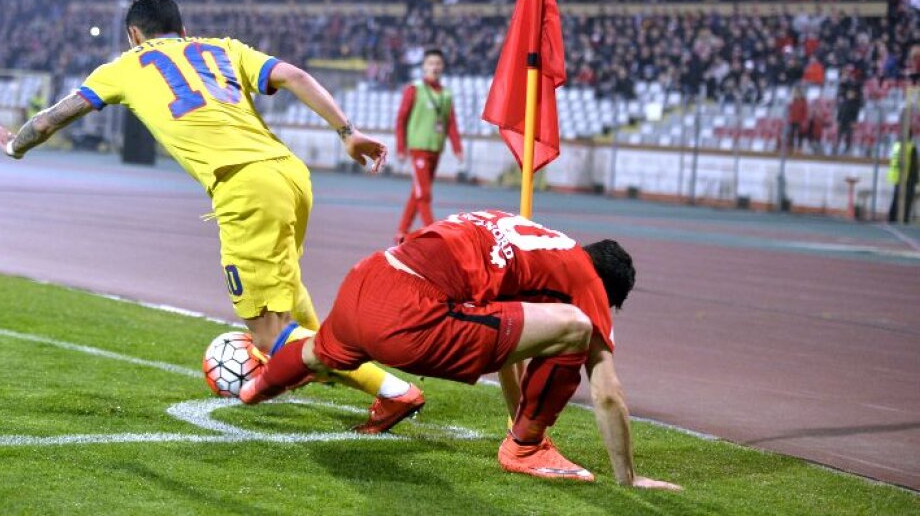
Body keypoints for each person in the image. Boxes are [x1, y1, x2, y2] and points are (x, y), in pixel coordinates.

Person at [0, 0, 422, 433]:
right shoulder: (223, 48)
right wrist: (346, 132)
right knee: (288, 294)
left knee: (270, 337)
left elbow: (47, 121)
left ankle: (394, 392)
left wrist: (12, 146)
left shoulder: (124, 66)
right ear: (181, 29)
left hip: (244, 187)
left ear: (134, 35)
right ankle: (322, 367)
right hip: (290, 174)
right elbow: (292, 74)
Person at [241, 209, 681, 489]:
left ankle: (255, 386)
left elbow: (508, 347)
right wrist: (629, 476)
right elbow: (607, 393)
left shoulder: (536, 239)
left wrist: (525, 423)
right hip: (409, 314)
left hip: (367, 278)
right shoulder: (586, 283)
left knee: (317, 352)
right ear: (607, 291)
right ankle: (525, 449)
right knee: (576, 327)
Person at [394, 48, 464, 243]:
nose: (434, 67)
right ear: (424, 66)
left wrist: (457, 147)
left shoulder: (446, 94)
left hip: (436, 149)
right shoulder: (414, 89)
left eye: (438, 63)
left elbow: (451, 122)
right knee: (424, 193)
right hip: (418, 149)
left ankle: (401, 231)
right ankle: (432, 233)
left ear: (442, 67)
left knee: (417, 193)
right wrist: (401, 147)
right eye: (431, 63)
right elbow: (401, 119)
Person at [888, 134, 918, 223]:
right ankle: (903, 221)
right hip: (908, 179)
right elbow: (914, 167)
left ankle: (892, 219)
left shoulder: (896, 146)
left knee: (895, 201)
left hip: (897, 177)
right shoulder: (911, 147)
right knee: (906, 203)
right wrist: (915, 181)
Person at [787, 85, 809, 153]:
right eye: (794, 93)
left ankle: (799, 149)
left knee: (800, 135)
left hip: (800, 120)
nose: (795, 94)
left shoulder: (803, 101)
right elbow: (789, 109)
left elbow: (805, 111)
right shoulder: (792, 101)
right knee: (791, 134)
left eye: (796, 92)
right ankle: (791, 148)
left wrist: (804, 121)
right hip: (792, 120)